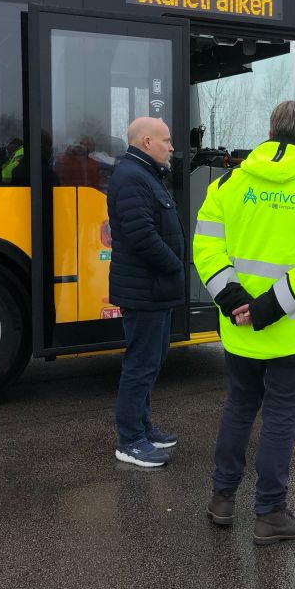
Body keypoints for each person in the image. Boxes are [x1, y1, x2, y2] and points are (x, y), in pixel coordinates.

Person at [193, 99, 295, 546]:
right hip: (293, 328)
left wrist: (234, 299)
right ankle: (270, 513)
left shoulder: (229, 180)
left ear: (271, 130)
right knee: (280, 417)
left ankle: (222, 500)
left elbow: (206, 246)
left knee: (239, 406)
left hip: (238, 327)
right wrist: (271, 307)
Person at [106, 117, 185, 467]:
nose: (171, 147)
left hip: (153, 289)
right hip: (145, 290)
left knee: (151, 361)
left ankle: (143, 427)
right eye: (166, 140)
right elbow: (141, 236)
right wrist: (175, 264)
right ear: (147, 141)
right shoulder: (132, 177)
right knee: (140, 365)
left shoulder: (144, 175)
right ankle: (130, 440)